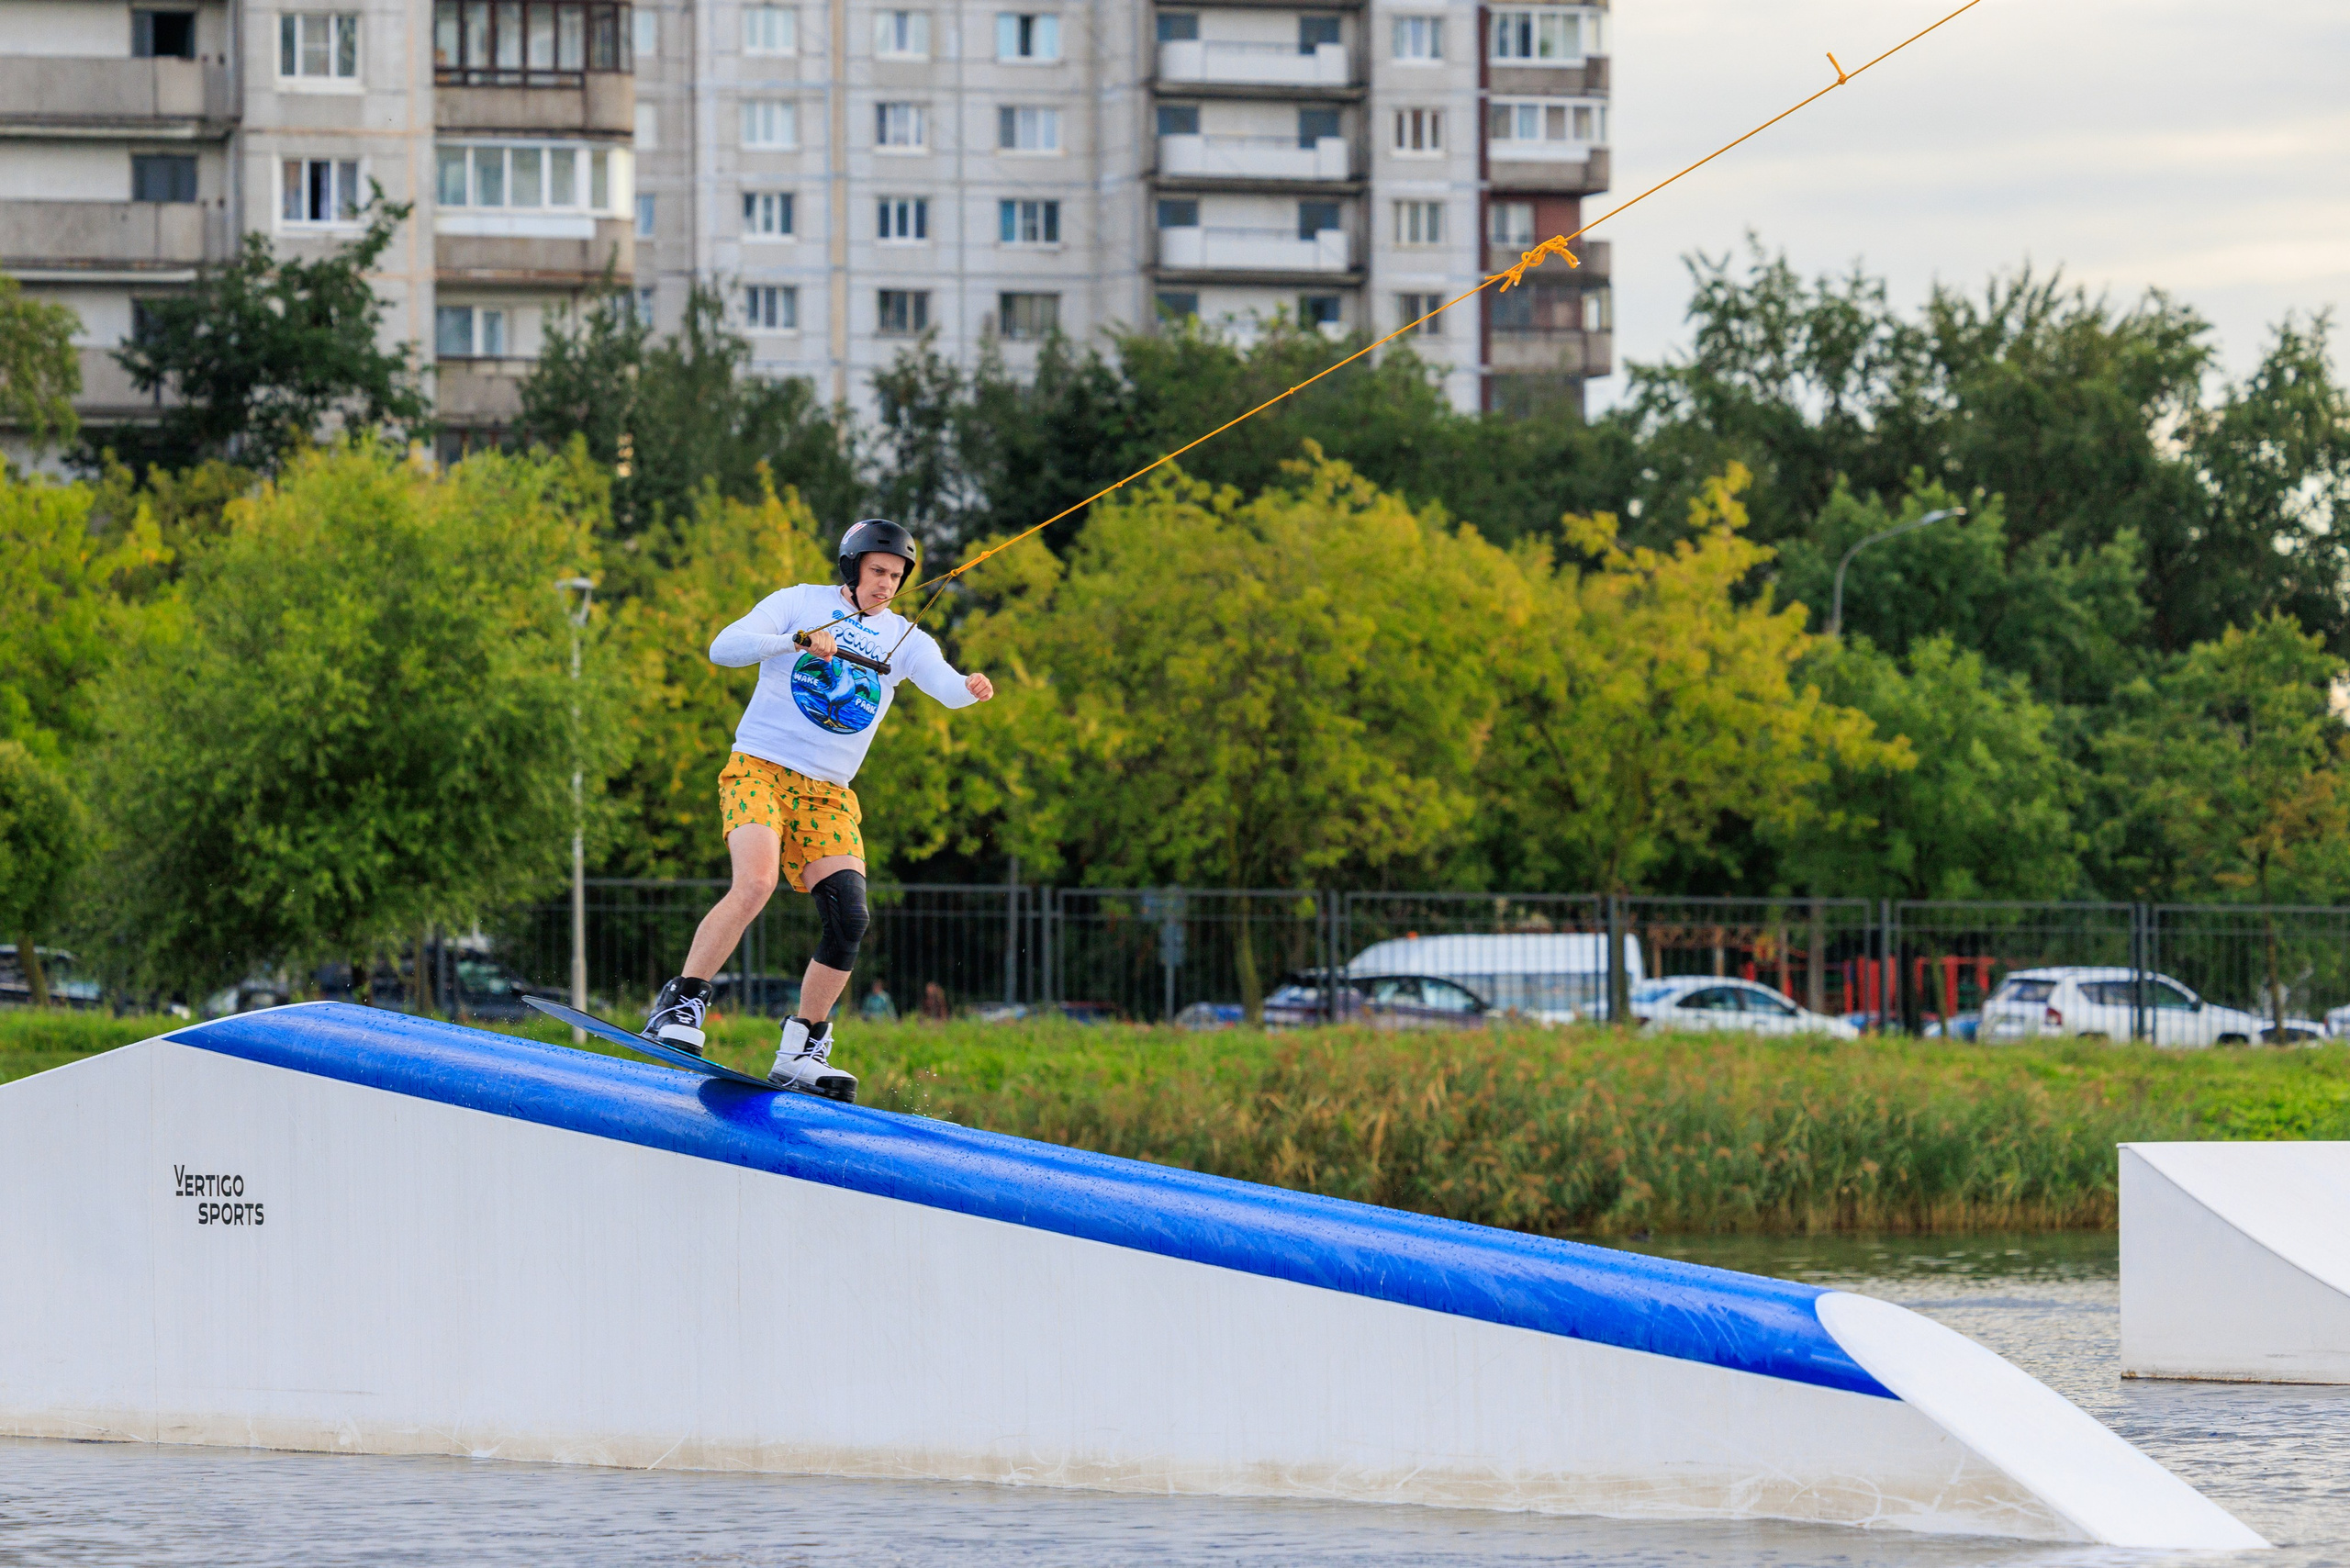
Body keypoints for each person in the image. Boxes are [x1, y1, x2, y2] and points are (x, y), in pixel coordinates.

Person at [639, 520, 993, 1101]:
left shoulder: (906, 638)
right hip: (760, 768)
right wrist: (795, 641)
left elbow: (947, 688)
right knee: (755, 883)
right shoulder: (799, 603)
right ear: (852, 568)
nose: (887, 585)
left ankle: (801, 1050)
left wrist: (970, 687)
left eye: (897, 576)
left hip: (828, 793)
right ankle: (679, 1006)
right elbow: (722, 648)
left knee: (850, 917)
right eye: (877, 572)